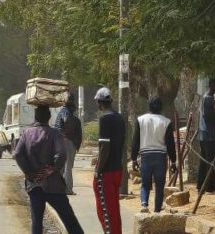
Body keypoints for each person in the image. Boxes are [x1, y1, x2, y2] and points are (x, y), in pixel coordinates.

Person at [14, 105, 84, 234]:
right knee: (69, 220)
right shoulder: (54, 133)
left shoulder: (27, 133)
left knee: (37, 222)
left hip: (34, 185)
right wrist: (52, 169)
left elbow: (17, 154)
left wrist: (29, 173)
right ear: (49, 117)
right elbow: (62, 154)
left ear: (35, 117)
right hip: (54, 185)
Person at [131, 96, 176, 213]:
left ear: (149, 106)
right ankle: (157, 210)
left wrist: (134, 159)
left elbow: (135, 141)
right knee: (159, 186)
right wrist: (174, 161)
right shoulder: (166, 122)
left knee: (145, 184)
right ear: (161, 107)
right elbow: (170, 144)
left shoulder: (140, 120)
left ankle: (144, 204)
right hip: (160, 157)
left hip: (145, 156)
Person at [92, 87, 125, 234]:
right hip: (117, 169)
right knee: (114, 210)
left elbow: (105, 146)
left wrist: (98, 169)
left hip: (106, 172)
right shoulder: (119, 118)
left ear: (99, 102)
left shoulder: (105, 118)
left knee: (105, 211)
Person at [54, 92, 82, 195]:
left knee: (61, 167)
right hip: (67, 141)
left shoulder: (63, 111)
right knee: (67, 167)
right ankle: (68, 189)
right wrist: (66, 135)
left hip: (61, 141)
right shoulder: (66, 112)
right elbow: (67, 121)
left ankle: (58, 188)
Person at [198, 77, 215, 192]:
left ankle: (202, 185)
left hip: (206, 135)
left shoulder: (210, 98)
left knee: (205, 161)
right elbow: (208, 116)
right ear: (211, 85)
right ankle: (210, 187)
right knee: (211, 162)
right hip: (209, 136)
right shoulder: (207, 98)